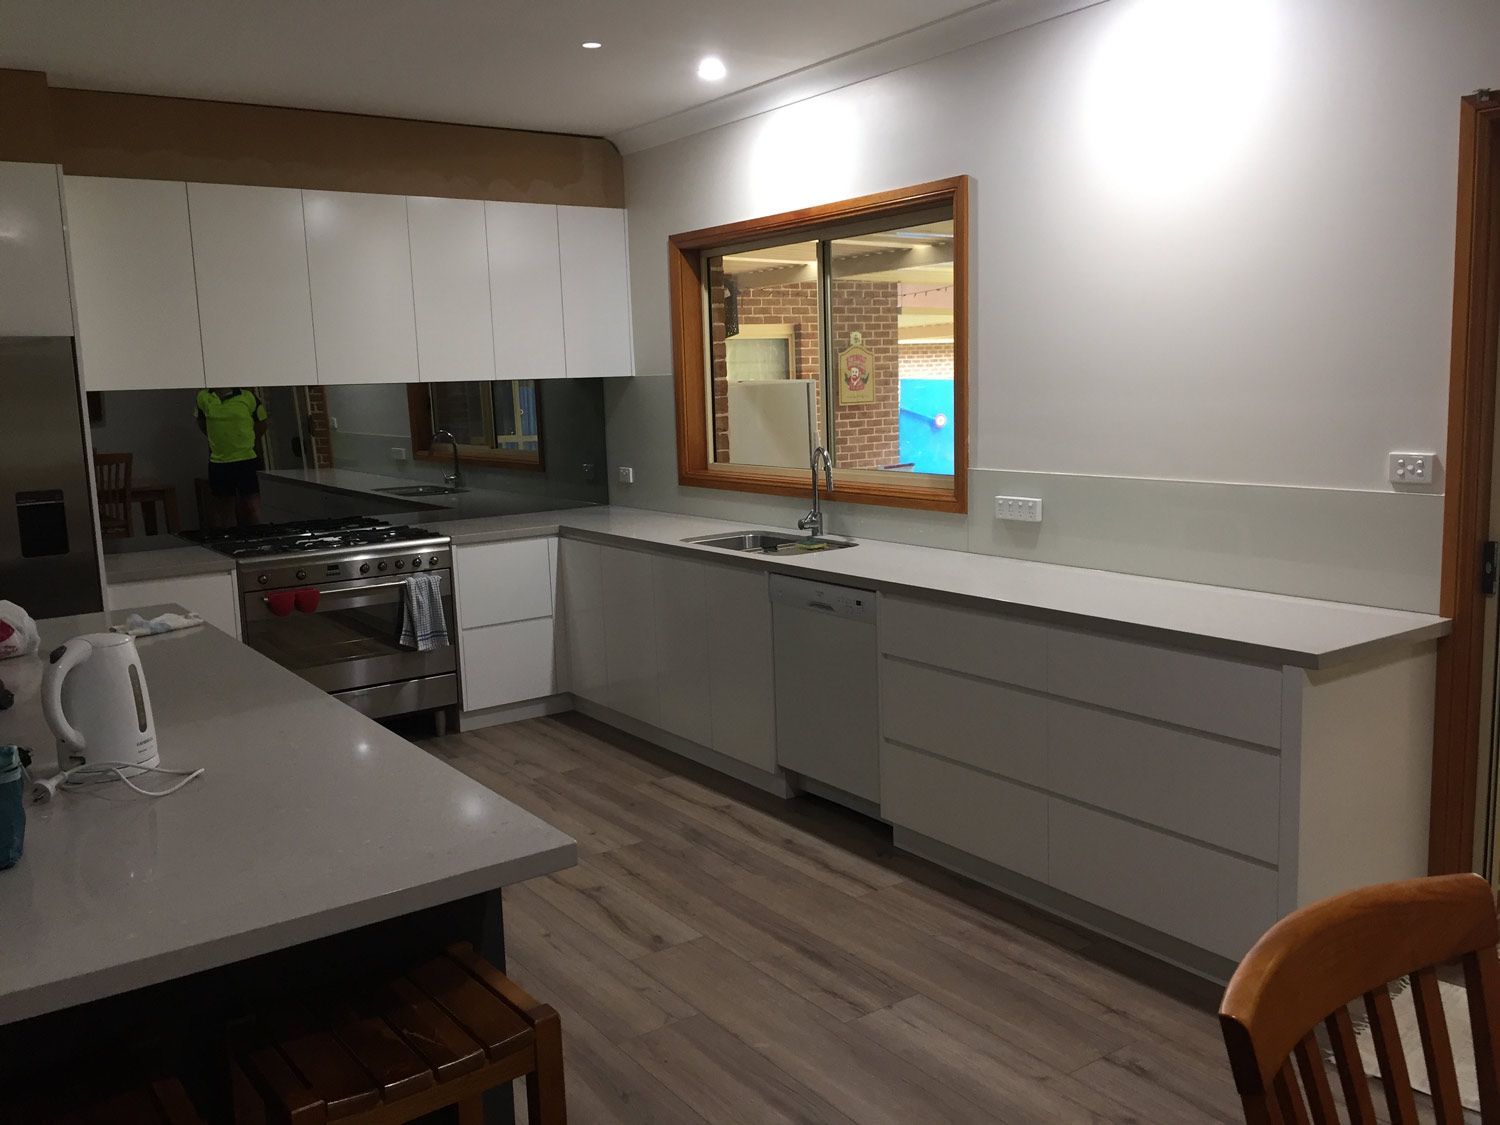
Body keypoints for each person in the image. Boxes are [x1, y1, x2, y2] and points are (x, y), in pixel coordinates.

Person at [195, 387, 268, 527]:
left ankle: (259, 539)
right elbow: (201, 422)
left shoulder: (248, 397)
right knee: (225, 509)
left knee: (252, 506)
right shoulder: (203, 397)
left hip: (246, 460)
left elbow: (261, 423)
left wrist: (245, 442)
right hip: (219, 462)